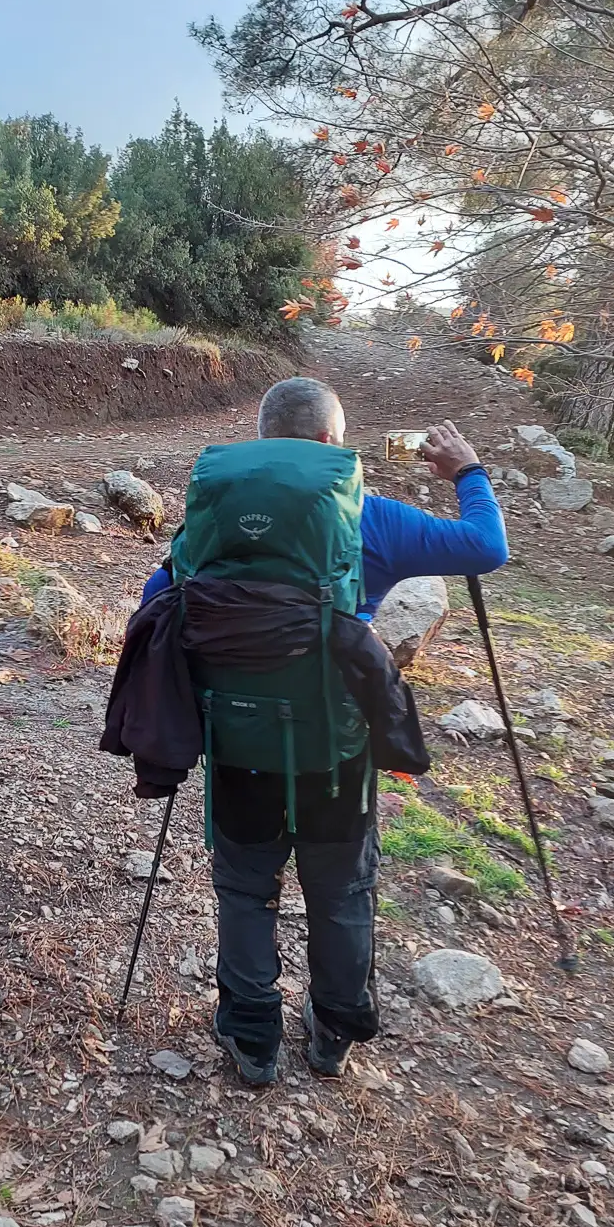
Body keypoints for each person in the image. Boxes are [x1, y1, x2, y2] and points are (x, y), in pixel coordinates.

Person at [140, 376, 509, 1084]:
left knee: (246, 892)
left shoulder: (208, 529)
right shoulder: (371, 518)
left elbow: (159, 605)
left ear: (260, 442)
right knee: (341, 895)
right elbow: (486, 549)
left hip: (239, 749)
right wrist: (467, 471)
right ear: (334, 445)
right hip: (336, 757)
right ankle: (333, 1031)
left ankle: (251, 1038)